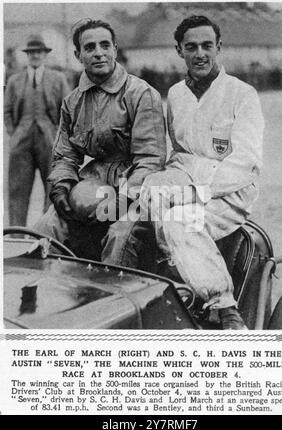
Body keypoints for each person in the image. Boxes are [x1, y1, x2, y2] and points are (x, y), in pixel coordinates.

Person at [140, 15, 264, 329]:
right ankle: (173, 276)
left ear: (218, 47)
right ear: (179, 50)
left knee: (180, 218)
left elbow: (247, 162)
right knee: (147, 189)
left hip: (229, 194)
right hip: (189, 180)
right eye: (191, 47)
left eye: (207, 45)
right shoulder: (177, 94)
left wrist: (198, 192)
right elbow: (179, 153)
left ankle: (225, 307)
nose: (200, 54)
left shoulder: (242, 94)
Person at [34, 19, 166, 267]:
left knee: (120, 237)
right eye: (90, 47)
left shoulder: (141, 94)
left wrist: (121, 201)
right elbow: (65, 155)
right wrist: (61, 187)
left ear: (115, 49)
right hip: (92, 182)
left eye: (105, 45)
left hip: (137, 188)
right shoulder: (73, 102)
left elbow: (150, 160)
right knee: (45, 228)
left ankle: (115, 301)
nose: (98, 53)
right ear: (78, 55)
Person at [4, 35, 70, 226]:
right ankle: (16, 236)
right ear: (27, 55)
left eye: (39, 52)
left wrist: (58, 134)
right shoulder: (15, 80)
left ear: (45, 54)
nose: (35, 56)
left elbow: (67, 111)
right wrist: (13, 133)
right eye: (31, 52)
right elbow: (6, 110)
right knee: (17, 189)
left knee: (53, 188)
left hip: (49, 139)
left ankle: (48, 234)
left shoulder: (57, 78)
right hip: (21, 141)